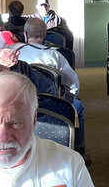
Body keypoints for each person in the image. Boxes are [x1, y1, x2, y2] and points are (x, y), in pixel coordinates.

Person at [19, 18, 85, 151]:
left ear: (25, 34)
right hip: (51, 106)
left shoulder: (16, 54)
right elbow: (73, 84)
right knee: (78, 107)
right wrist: (67, 100)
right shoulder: (55, 56)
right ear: (45, 35)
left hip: (21, 106)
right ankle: (78, 147)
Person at [0, 31, 56, 97]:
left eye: (18, 50)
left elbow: (49, 88)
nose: (18, 53)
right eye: (14, 50)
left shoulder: (23, 68)